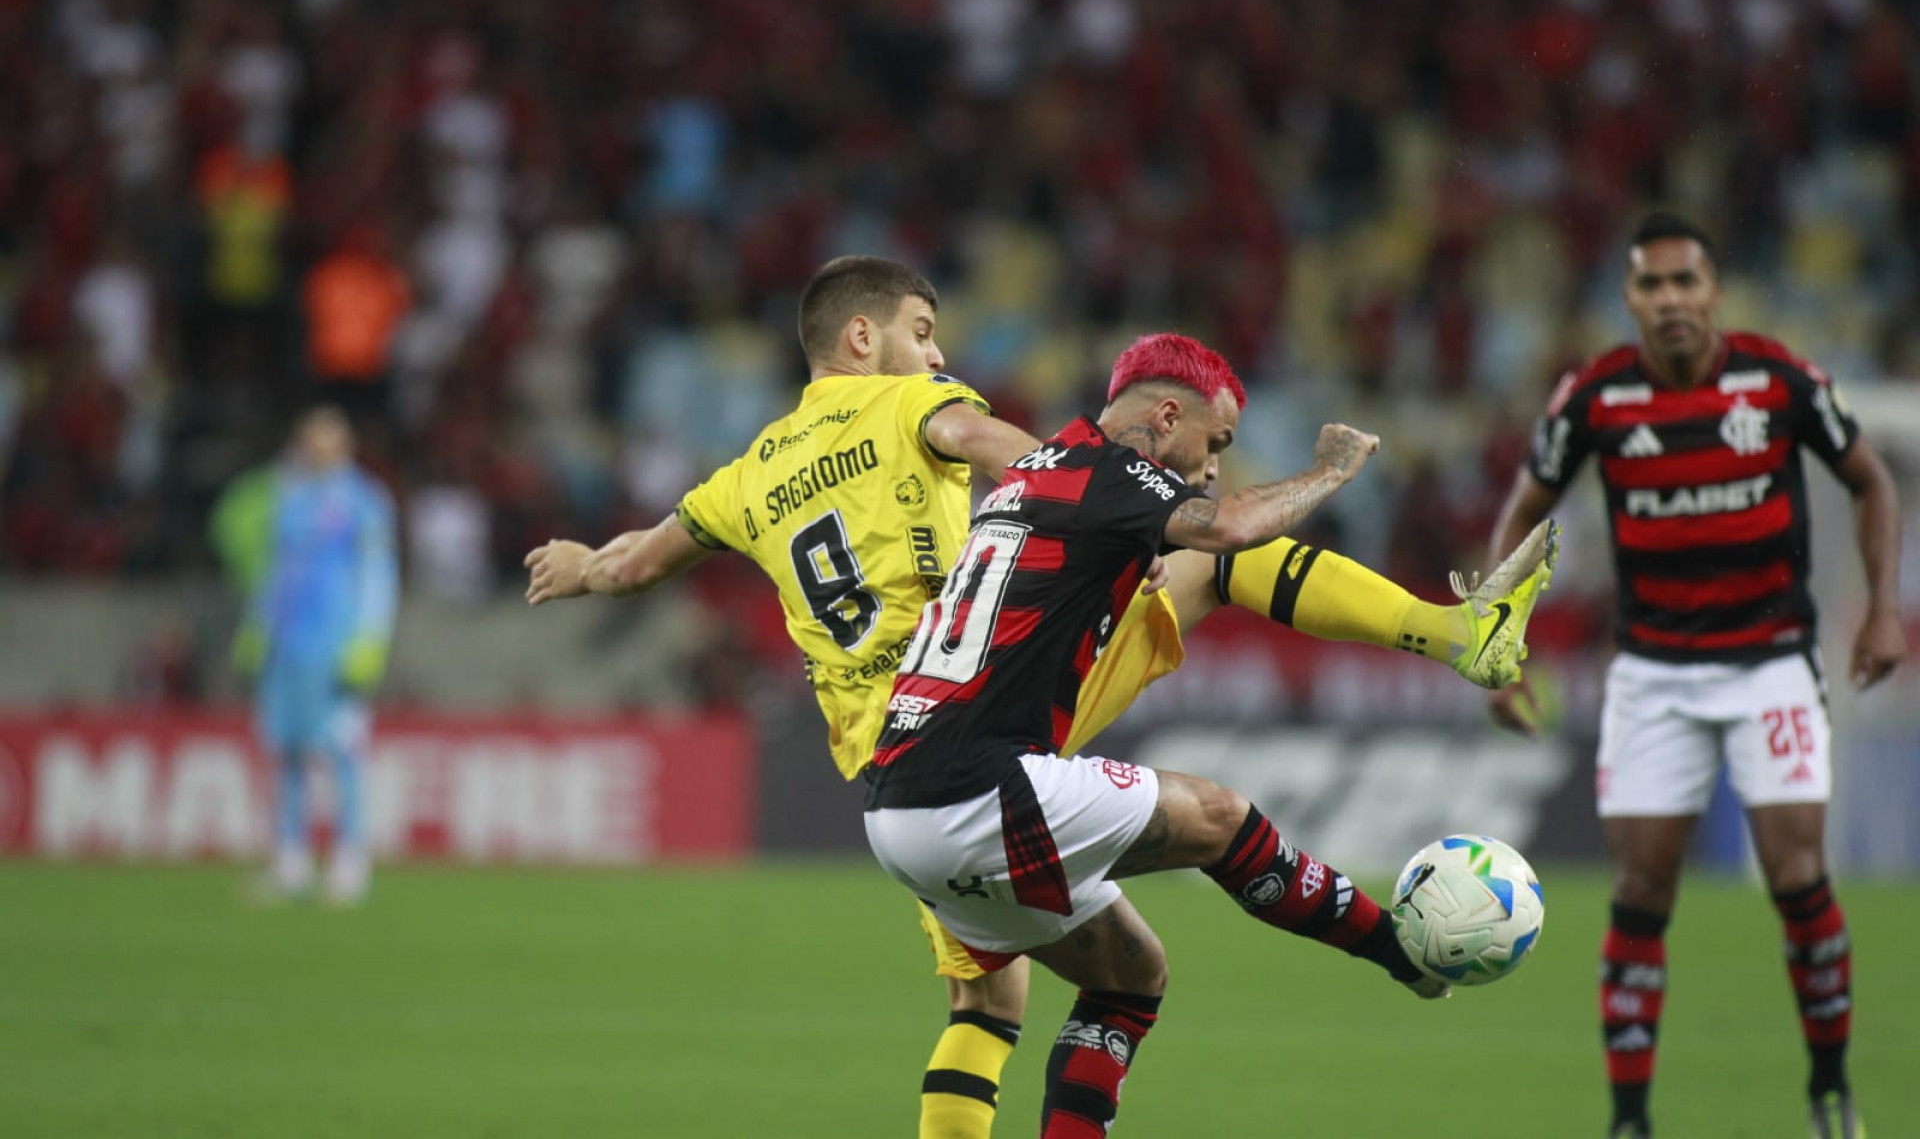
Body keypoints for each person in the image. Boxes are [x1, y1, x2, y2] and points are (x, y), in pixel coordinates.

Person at [524, 257, 1555, 1139]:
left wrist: (581, 565)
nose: (936, 354)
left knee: (1005, 991)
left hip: (888, 753)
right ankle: (1457, 634)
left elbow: (637, 559)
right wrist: (1092, 489)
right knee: (1213, 577)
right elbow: (1008, 455)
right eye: (921, 333)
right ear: (859, 336)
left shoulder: (745, 474)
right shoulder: (915, 404)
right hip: (975, 710)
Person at [864, 332, 1501, 1137]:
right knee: (1218, 818)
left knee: (1131, 974)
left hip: (899, 807)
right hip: (978, 785)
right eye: (1215, 442)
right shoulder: (1108, 471)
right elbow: (1232, 529)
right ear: (1166, 416)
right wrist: (1334, 468)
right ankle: (1400, 955)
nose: (1210, 467)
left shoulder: (1036, 471)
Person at [1483, 212, 1905, 1139]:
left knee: (1798, 875)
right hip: (1655, 673)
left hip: (1771, 667)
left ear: (1715, 292)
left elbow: (1872, 479)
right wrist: (1494, 641)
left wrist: (1878, 607)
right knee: (1640, 892)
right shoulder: (1595, 399)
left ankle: (1830, 1087)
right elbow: (1524, 510)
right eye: (1651, 285)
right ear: (1629, 299)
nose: (1670, 300)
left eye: (1686, 282)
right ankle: (1630, 1119)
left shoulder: (1778, 379)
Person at [220, 406, 399, 905]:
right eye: (312, 438)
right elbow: (276, 571)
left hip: (335, 643)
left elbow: (378, 574)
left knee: (341, 749)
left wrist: (369, 640)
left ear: (346, 445)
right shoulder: (291, 499)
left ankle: (350, 859)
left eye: (329, 439)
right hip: (287, 645)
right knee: (287, 750)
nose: (318, 447)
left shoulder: (365, 502)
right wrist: (257, 629)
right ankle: (290, 861)